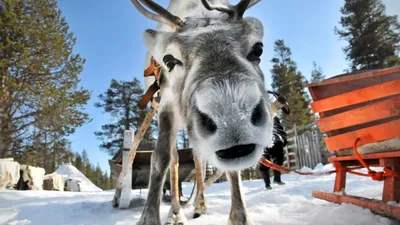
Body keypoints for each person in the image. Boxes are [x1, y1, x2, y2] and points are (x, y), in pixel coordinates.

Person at [259, 116, 288, 189]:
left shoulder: (274, 117)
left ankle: (277, 179)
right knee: (264, 164)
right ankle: (267, 184)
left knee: (278, 161)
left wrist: (284, 140)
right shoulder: (258, 116)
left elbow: (280, 129)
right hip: (264, 142)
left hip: (276, 141)